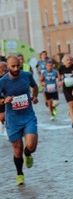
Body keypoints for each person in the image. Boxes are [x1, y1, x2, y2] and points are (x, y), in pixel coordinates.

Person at [0, 55, 39, 185]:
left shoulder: (26, 75)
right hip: (13, 120)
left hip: (28, 117)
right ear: (7, 67)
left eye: (18, 65)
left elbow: (35, 87)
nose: (16, 68)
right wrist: (4, 100)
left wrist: (34, 97)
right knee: (17, 149)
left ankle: (27, 153)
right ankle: (20, 174)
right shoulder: (3, 81)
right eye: (13, 66)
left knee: (32, 146)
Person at [58, 54, 73, 131]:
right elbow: (59, 76)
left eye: (70, 59)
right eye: (67, 60)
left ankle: (70, 112)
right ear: (64, 61)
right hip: (66, 89)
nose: (69, 61)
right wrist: (60, 81)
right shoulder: (62, 68)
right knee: (71, 104)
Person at [0, 61, 6, 137]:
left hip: (9, 98)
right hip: (1, 99)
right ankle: (2, 124)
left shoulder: (8, 75)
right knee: (2, 117)